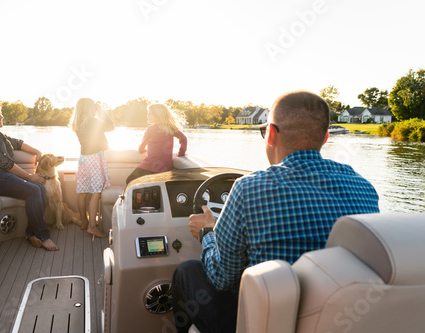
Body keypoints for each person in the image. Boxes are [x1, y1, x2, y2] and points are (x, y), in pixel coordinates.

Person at [171, 91, 380, 333]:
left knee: (187, 271)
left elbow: (222, 277)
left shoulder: (249, 188)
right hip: (338, 322)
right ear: (325, 138)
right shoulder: (364, 187)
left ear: (270, 134)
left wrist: (207, 231)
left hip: (268, 324)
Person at [0, 102, 59, 251]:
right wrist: (30, 177)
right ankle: (44, 236)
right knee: (34, 189)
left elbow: (16, 143)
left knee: (39, 188)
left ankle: (32, 234)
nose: (1, 117)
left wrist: (37, 152)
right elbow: (5, 163)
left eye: (0, 113)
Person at [70, 98, 114, 239]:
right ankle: (92, 227)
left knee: (82, 192)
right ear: (90, 108)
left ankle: (84, 222)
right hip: (94, 158)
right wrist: (101, 110)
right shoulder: (92, 121)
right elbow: (111, 126)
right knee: (96, 192)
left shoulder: (77, 123)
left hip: (83, 159)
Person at [126, 103, 187, 184]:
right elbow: (184, 139)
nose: (147, 116)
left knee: (130, 180)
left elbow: (142, 147)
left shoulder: (150, 129)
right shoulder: (170, 128)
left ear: (157, 115)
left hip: (149, 164)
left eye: (150, 114)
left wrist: (142, 150)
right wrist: (181, 153)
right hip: (165, 167)